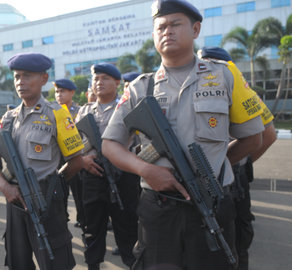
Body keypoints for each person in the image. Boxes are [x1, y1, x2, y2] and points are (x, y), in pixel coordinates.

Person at [101, 1, 265, 269]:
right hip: (159, 209)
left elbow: (253, 138)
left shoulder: (224, 76)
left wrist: (214, 170)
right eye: (160, 27)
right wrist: (146, 170)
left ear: (196, 29)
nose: (167, 31)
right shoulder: (140, 88)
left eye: (175, 24)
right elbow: (110, 144)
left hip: (212, 202)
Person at [0, 52, 85, 270]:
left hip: (45, 202)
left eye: (27, 76)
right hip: (14, 200)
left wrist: (54, 186)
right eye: (17, 77)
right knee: (17, 261)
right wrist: (4, 187)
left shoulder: (57, 114)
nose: (21, 82)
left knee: (55, 262)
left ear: (43, 79)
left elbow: (76, 161)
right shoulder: (8, 118)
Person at [199, 46, 277, 270]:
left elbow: (267, 136)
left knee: (230, 237)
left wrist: (231, 164)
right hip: (224, 174)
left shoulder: (240, 90)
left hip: (227, 177)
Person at [75, 63, 139, 269]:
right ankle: (93, 264)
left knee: (127, 226)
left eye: (105, 79)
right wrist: (83, 160)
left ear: (117, 83)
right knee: (92, 228)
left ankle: (132, 263)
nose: (99, 83)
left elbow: (139, 144)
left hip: (123, 177)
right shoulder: (85, 111)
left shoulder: (127, 107)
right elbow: (75, 143)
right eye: (95, 79)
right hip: (93, 176)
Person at [54, 78, 85, 228]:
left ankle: (83, 219)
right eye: (57, 92)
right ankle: (62, 219)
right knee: (60, 192)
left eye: (62, 91)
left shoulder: (79, 111)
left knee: (80, 194)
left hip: (76, 158)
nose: (59, 95)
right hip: (58, 159)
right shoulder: (52, 112)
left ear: (72, 92)